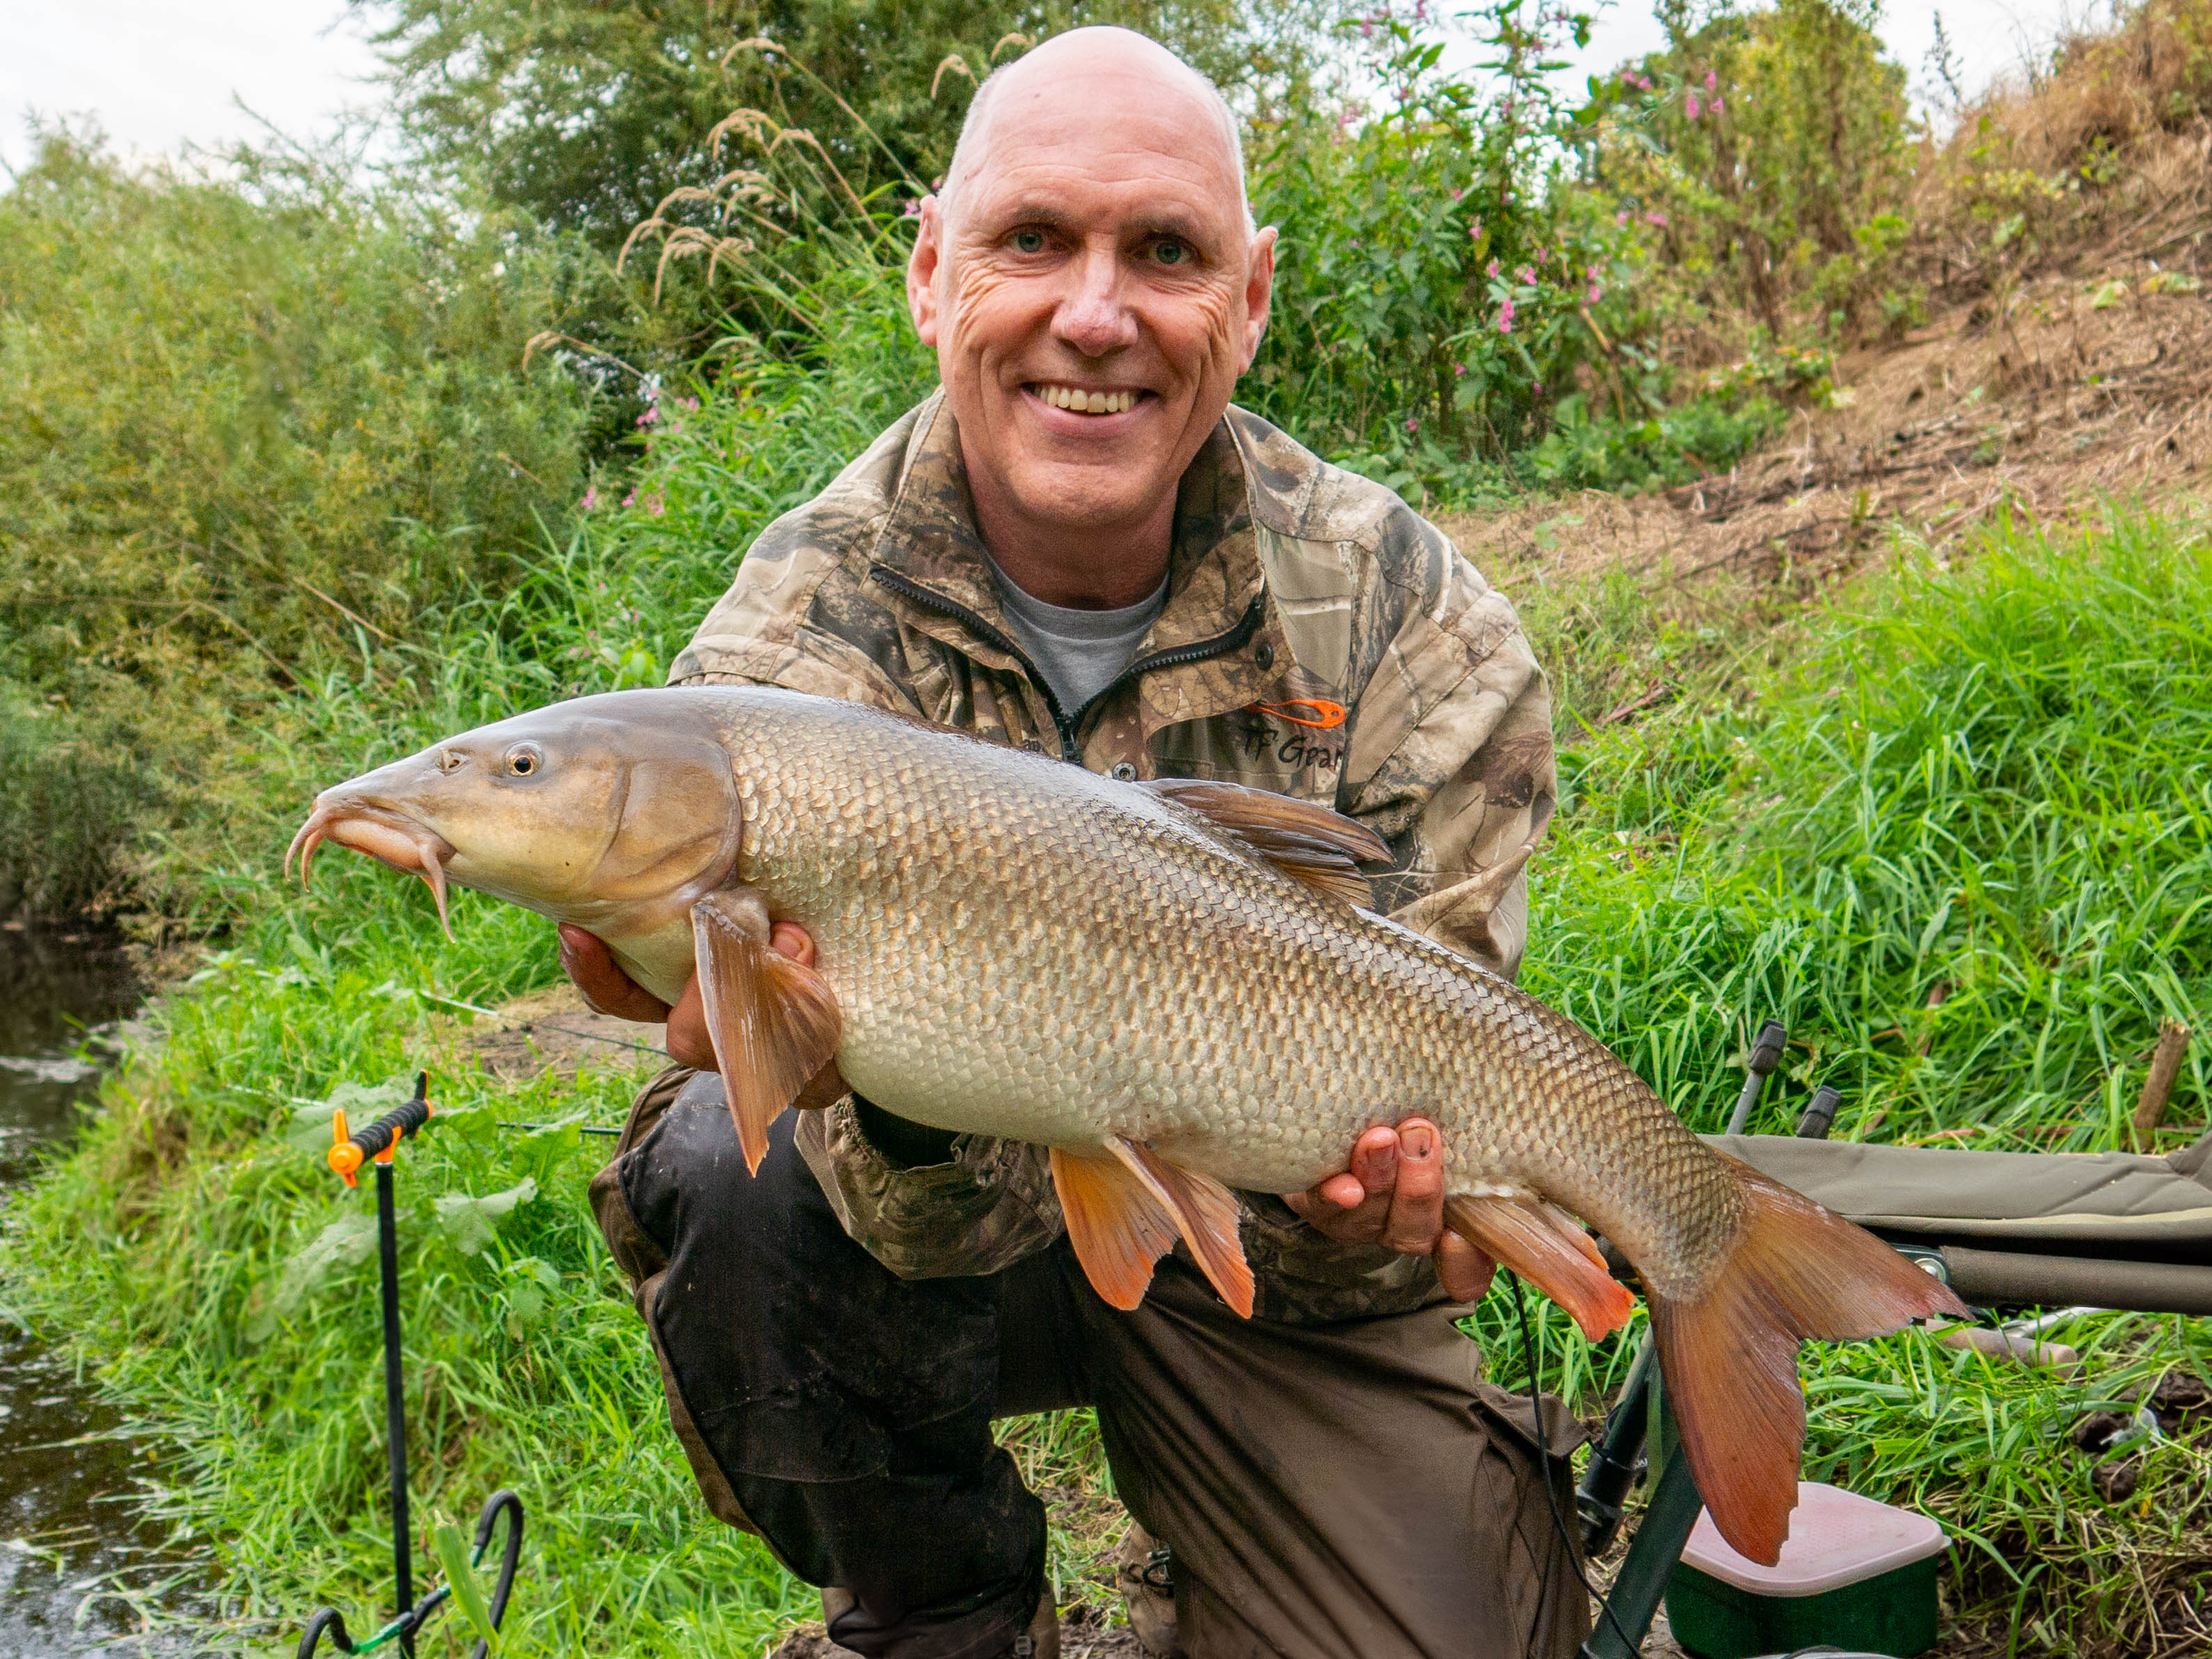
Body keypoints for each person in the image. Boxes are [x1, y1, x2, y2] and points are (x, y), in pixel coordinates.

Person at [572, 26, 1586, 1659]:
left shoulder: (1412, 619)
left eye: (1165, 253)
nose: (1096, 314)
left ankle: (1253, 1539)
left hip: (1275, 1256)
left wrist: (1373, 1198)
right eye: (1033, 239)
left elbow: (1413, 1210)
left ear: (1248, 303)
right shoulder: (792, 645)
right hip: (953, 1236)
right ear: (932, 272)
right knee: (723, 1156)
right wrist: (856, 1086)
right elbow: (911, 1226)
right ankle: (948, 1604)